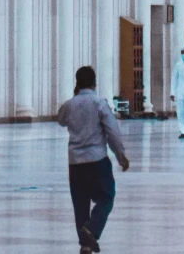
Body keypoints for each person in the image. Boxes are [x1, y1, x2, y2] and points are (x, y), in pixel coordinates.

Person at [55, 65, 129, 254]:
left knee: (80, 204)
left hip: (75, 163)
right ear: (94, 83)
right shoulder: (99, 103)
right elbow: (112, 132)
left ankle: (85, 244)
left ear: (77, 83)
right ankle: (92, 229)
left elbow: (61, 120)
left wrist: (74, 97)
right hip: (97, 161)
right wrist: (120, 156)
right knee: (107, 196)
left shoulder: (69, 105)